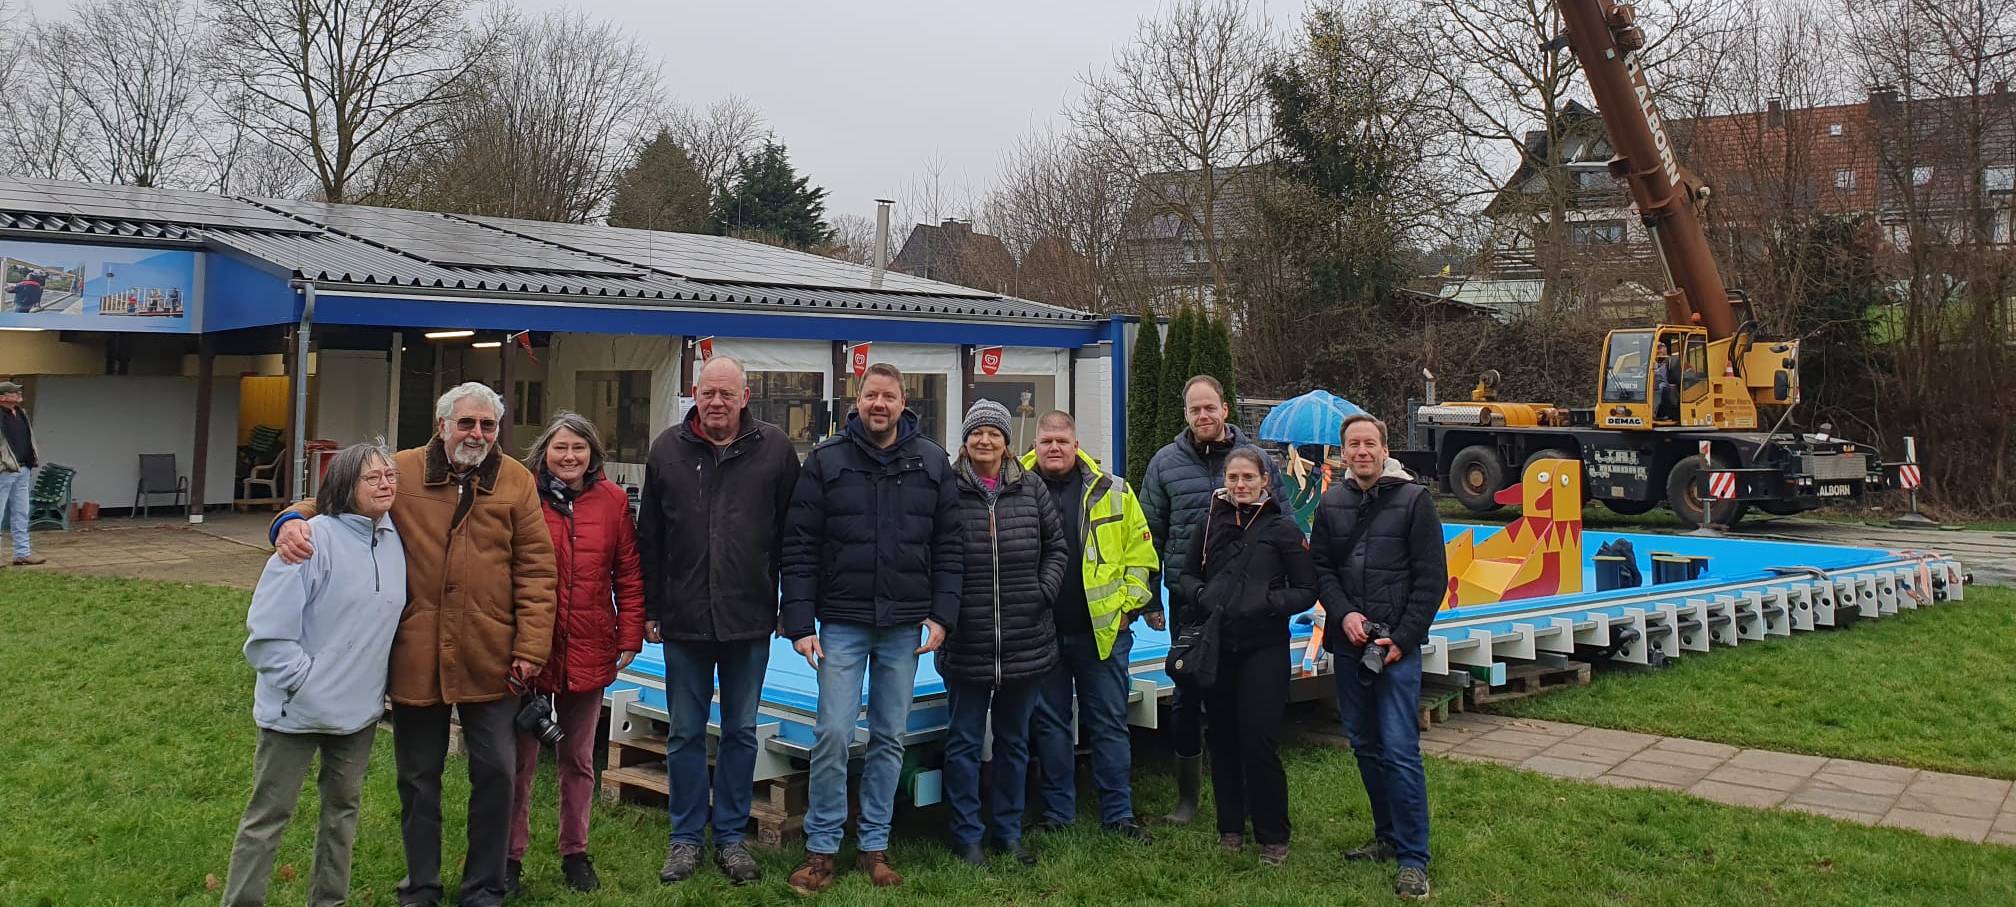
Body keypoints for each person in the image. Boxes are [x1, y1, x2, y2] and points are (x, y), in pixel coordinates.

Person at [272, 382, 557, 907]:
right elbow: (332, 498)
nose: (477, 434)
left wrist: (530, 649)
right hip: (415, 653)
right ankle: (421, 886)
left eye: (488, 426)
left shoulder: (517, 480)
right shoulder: (399, 470)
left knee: (497, 772)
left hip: (492, 656)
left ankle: (485, 888)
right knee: (418, 777)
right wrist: (291, 519)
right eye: (466, 423)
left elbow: (538, 571)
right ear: (442, 424)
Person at [780, 362, 963, 895]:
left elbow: (949, 546)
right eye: (870, 396)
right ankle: (820, 849)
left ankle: (875, 846)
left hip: (904, 624)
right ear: (855, 401)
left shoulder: (931, 462)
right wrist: (799, 621)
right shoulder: (826, 461)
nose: (878, 404)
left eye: (888, 396)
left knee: (889, 736)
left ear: (904, 402)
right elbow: (800, 544)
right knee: (833, 733)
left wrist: (941, 614)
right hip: (842, 621)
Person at [637, 356, 800, 885]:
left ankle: (730, 838)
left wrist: (788, 606)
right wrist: (651, 610)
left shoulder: (775, 450)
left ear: (745, 397)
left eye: (727, 394)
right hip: (683, 619)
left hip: (748, 618)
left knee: (741, 731)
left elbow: (791, 537)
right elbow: (650, 539)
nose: (716, 403)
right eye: (708, 393)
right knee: (684, 732)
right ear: (695, 393)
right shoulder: (667, 450)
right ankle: (685, 839)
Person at [222, 442, 406, 907]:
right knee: (269, 815)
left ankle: (329, 901)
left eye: (391, 476)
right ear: (345, 484)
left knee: (342, 814)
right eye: (373, 478)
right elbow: (267, 635)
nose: (386, 484)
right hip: (296, 712)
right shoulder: (308, 540)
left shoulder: (394, 538)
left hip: (359, 714)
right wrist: (305, 682)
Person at [505, 412, 644, 895]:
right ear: (544, 451)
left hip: (589, 643)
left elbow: (627, 571)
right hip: (531, 648)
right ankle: (510, 857)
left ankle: (575, 853)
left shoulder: (611, 501)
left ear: (592, 455)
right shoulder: (523, 495)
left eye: (578, 449)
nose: (569, 457)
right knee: (519, 762)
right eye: (560, 448)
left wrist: (629, 634)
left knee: (579, 758)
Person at [1309, 414, 1447, 901]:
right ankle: (1387, 835)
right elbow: (1321, 568)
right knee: (1365, 743)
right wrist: (1343, 615)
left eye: (1369, 443)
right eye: (1352, 444)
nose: (1361, 451)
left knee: (1400, 749)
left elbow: (1431, 579)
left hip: (1395, 650)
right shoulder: (1332, 502)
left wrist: (1404, 639)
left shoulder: (1415, 501)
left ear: (1385, 449)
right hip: (1350, 645)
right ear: (1342, 452)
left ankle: (1414, 858)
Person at [1139, 374, 1284, 823]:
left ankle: (1242, 790)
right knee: (1187, 696)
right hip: (1192, 602)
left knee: (1244, 698)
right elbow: (1148, 535)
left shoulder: (1257, 461)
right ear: (1186, 414)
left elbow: (1284, 526)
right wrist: (1150, 600)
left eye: (1210, 407)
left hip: (1251, 604)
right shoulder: (1164, 464)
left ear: (1225, 409)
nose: (1203, 416)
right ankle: (1188, 797)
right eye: (1194, 409)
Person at [938, 399, 1067, 867]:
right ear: (965, 441)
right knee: (964, 743)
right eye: (977, 433)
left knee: (1014, 742)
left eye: (994, 433)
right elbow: (934, 555)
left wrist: (1042, 592)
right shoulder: (946, 490)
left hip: (1026, 640)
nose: (985, 441)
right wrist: (948, 612)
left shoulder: (1031, 489)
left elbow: (1057, 548)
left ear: (1008, 442)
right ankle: (967, 834)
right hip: (967, 641)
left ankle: (1008, 831)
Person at [1020, 411, 1157, 842]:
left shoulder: (1114, 491)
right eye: (1046, 441)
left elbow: (1142, 559)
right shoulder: (1014, 489)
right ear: (1035, 446)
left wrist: (1125, 610)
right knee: (1050, 725)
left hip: (1103, 634)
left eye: (1062, 440)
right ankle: (1059, 813)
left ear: (1077, 445)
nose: (1054, 448)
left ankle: (1119, 814)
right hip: (1039, 634)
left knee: (1109, 724)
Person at [1175, 446, 1315, 867]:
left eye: (1248, 479)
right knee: (1222, 739)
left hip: (1264, 647)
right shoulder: (1209, 523)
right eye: (1233, 478)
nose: (1240, 485)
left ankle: (1273, 834)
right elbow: (1184, 574)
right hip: (1219, 647)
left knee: (1258, 741)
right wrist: (1202, 594)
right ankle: (1230, 826)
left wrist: (1269, 602)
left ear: (1264, 482)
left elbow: (1307, 589)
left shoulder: (1282, 529)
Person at [0, 380, 45, 566]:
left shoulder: (21, 413)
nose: (18, 394)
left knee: (21, 512)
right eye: (14, 392)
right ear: (2, 397)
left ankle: (23, 553)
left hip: (23, 468)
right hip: (4, 470)